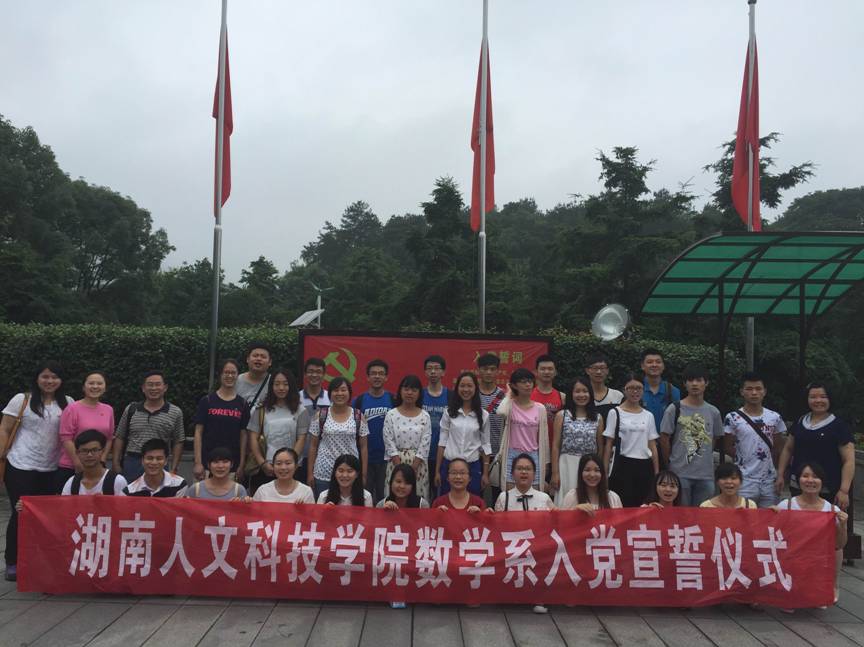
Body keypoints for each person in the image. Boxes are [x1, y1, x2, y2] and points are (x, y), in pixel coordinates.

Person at [0, 362, 73, 581]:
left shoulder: (68, 403)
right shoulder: (21, 399)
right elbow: (5, 428)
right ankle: (12, 561)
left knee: (46, 517)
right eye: (45, 376)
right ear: (37, 378)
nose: (50, 381)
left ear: (61, 380)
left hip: (52, 468)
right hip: (20, 465)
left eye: (54, 377)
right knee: (20, 512)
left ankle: (38, 560)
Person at [776, 462, 849, 606]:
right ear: (798, 480)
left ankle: (831, 586)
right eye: (805, 476)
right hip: (792, 558)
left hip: (818, 560)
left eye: (815, 477)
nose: (810, 480)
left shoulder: (832, 511)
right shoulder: (786, 506)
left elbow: (839, 545)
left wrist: (842, 526)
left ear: (822, 481)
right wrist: (771, 514)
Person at [776, 383, 855, 512]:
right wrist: (780, 474)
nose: (818, 400)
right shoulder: (800, 421)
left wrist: (844, 490)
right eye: (813, 397)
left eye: (823, 397)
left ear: (830, 399)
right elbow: (788, 449)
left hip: (828, 488)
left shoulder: (839, 426)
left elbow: (849, 460)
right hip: (799, 485)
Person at [493, 452, 554, 616]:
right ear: (512, 473)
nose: (524, 472)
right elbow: (496, 527)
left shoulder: (544, 498)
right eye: (519, 468)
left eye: (528, 469)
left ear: (534, 474)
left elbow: (556, 522)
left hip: (536, 549)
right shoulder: (504, 497)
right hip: (510, 548)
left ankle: (538, 598)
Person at [659, 364, 725, 506]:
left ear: (706, 383)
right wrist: (670, 463)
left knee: (703, 514)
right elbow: (664, 437)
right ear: (685, 383)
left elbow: (715, 438)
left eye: (699, 380)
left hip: (706, 475)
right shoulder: (674, 409)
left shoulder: (713, 412)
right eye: (690, 380)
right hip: (679, 473)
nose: (694, 384)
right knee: (681, 515)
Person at [723, 372, 787, 508]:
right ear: (742, 391)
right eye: (749, 389)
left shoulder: (774, 417)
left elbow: (779, 448)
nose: (754, 393)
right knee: (743, 517)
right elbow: (727, 446)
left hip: (769, 480)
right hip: (743, 479)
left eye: (758, 389)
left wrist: (779, 474)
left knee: (769, 517)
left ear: (764, 391)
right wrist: (745, 457)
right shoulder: (732, 418)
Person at [112, 370, 185, 482]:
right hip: (133, 462)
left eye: (158, 384)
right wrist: (116, 463)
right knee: (130, 493)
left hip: (159, 462)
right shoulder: (131, 409)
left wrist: (174, 468)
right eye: (150, 384)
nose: (154, 388)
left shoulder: (175, 412)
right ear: (143, 388)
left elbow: (178, 441)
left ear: (165, 387)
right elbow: (120, 436)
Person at [246, 367, 310, 493]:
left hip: (291, 469)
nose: (281, 388)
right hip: (267, 467)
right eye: (277, 384)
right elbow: (253, 438)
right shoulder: (261, 409)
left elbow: (301, 439)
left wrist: (290, 463)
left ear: (291, 386)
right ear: (271, 386)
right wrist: (262, 463)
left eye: (285, 384)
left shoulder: (301, 410)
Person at [602, 373, 659, 507]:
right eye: (631, 388)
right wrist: (604, 472)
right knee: (623, 505)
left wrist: (657, 472)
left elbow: (652, 445)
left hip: (644, 467)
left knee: (643, 506)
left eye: (639, 388)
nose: (635, 392)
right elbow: (609, 445)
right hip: (622, 466)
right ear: (624, 390)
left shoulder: (648, 415)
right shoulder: (615, 412)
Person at [307, 377, 369, 499]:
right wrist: (309, 473)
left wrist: (363, 474)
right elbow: (313, 446)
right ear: (330, 393)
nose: (339, 393)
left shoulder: (358, 416)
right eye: (336, 390)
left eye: (343, 390)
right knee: (324, 507)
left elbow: (364, 447)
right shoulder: (321, 415)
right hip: (324, 472)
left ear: (349, 393)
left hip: (350, 472)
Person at [377, 462, 428, 609]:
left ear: (413, 486)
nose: (401, 486)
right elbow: (375, 534)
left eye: (407, 483)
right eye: (398, 481)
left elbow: (426, 532)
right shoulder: (382, 504)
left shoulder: (422, 504)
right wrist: (384, 514)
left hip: (414, 549)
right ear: (391, 482)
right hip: (389, 550)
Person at [192, 359, 250, 482]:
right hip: (206, 466)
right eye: (226, 372)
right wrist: (198, 462)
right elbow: (198, 432)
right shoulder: (207, 401)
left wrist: (241, 465)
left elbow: (244, 435)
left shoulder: (243, 404)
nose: (230, 376)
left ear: (237, 375)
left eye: (233, 373)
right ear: (220, 374)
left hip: (232, 467)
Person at [551, 377, 605, 506]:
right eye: (577, 391)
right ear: (571, 394)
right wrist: (555, 473)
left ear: (590, 394)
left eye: (585, 391)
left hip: (589, 467)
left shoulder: (597, 418)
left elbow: (600, 448)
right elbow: (555, 446)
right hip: (567, 465)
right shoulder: (562, 415)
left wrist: (598, 470)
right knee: (568, 501)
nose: (581, 395)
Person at [436, 372, 491, 497]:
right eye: (462, 386)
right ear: (457, 388)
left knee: (472, 503)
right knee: (448, 502)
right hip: (449, 466)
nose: (466, 389)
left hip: (473, 467)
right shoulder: (449, 412)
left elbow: (486, 445)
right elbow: (442, 443)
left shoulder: (483, 415)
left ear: (475, 388)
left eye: (469, 386)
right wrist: (437, 471)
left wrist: (485, 473)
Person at [495, 368, 550, 491]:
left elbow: (544, 438)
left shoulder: (540, 408)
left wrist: (546, 462)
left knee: (534, 492)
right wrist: (509, 393)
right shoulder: (509, 405)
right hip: (511, 454)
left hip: (533, 455)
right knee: (510, 493)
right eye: (523, 382)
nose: (528, 384)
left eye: (530, 381)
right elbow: (500, 412)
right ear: (514, 385)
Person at [58, 371, 115, 490]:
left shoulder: (108, 409)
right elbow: (66, 438)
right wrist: (78, 464)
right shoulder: (72, 409)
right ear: (84, 387)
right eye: (91, 383)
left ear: (105, 387)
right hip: (71, 467)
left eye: (99, 383)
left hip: (98, 469)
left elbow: (109, 437)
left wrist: (102, 460)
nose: (95, 386)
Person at [383, 375, 432, 501]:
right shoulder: (391, 414)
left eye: (414, 390)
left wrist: (414, 467)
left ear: (419, 393)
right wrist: (399, 467)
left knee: (416, 498)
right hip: (396, 462)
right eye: (406, 389)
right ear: (400, 391)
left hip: (418, 464)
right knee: (394, 498)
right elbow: (388, 440)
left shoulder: (425, 416)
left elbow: (425, 442)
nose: (409, 393)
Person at [353, 359, 394, 503]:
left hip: (387, 459)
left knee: (385, 499)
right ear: (367, 377)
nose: (377, 376)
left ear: (386, 377)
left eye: (381, 373)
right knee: (365, 499)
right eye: (373, 373)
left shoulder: (393, 399)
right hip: (364, 460)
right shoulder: (358, 401)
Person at [476, 353, 506, 504]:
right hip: (476, 452)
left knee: (498, 495)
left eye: (492, 369)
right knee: (476, 494)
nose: (488, 372)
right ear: (479, 370)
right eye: (485, 369)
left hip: (498, 452)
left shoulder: (505, 396)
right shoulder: (472, 394)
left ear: (497, 371)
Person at [61, 429, 127, 496]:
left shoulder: (117, 481)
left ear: (103, 451)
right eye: (84, 451)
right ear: (77, 453)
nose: (89, 455)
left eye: (94, 450)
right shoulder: (71, 483)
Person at [298, 357, 331, 485]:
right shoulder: (296, 398)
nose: (314, 375)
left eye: (318, 372)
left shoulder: (331, 398)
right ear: (305, 374)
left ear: (324, 375)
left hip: (325, 456)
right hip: (301, 456)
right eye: (311, 371)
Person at [422, 354, 449, 500]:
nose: (433, 372)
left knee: (441, 496)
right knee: (423, 495)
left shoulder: (450, 396)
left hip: (443, 456)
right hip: (422, 455)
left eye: (437, 368)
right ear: (425, 372)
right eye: (429, 368)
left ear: (443, 372)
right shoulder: (419, 395)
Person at [182, 446, 249, 500]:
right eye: (215, 462)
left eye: (225, 462)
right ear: (208, 465)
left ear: (231, 464)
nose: (220, 466)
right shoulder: (196, 489)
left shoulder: (239, 490)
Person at [641, 348, 680, 436]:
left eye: (658, 362)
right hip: (640, 441)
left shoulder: (673, 391)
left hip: (665, 441)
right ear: (642, 366)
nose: (654, 365)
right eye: (650, 362)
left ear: (663, 366)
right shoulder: (636, 389)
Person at [531, 354, 566, 447]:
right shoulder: (528, 395)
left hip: (554, 446)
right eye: (542, 369)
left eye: (550, 369)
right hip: (531, 447)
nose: (546, 372)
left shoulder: (562, 397)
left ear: (555, 372)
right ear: (536, 372)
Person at [584, 351, 623, 421]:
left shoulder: (618, 396)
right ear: (587, 371)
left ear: (607, 371)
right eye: (595, 368)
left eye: (602, 368)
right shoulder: (582, 396)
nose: (598, 372)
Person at [235, 341, 272, 408]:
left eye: (263, 357)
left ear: (270, 362)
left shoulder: (273, 382)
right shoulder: (236, 381)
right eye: (255, 356)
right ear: (247, 359)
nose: (259, 359)